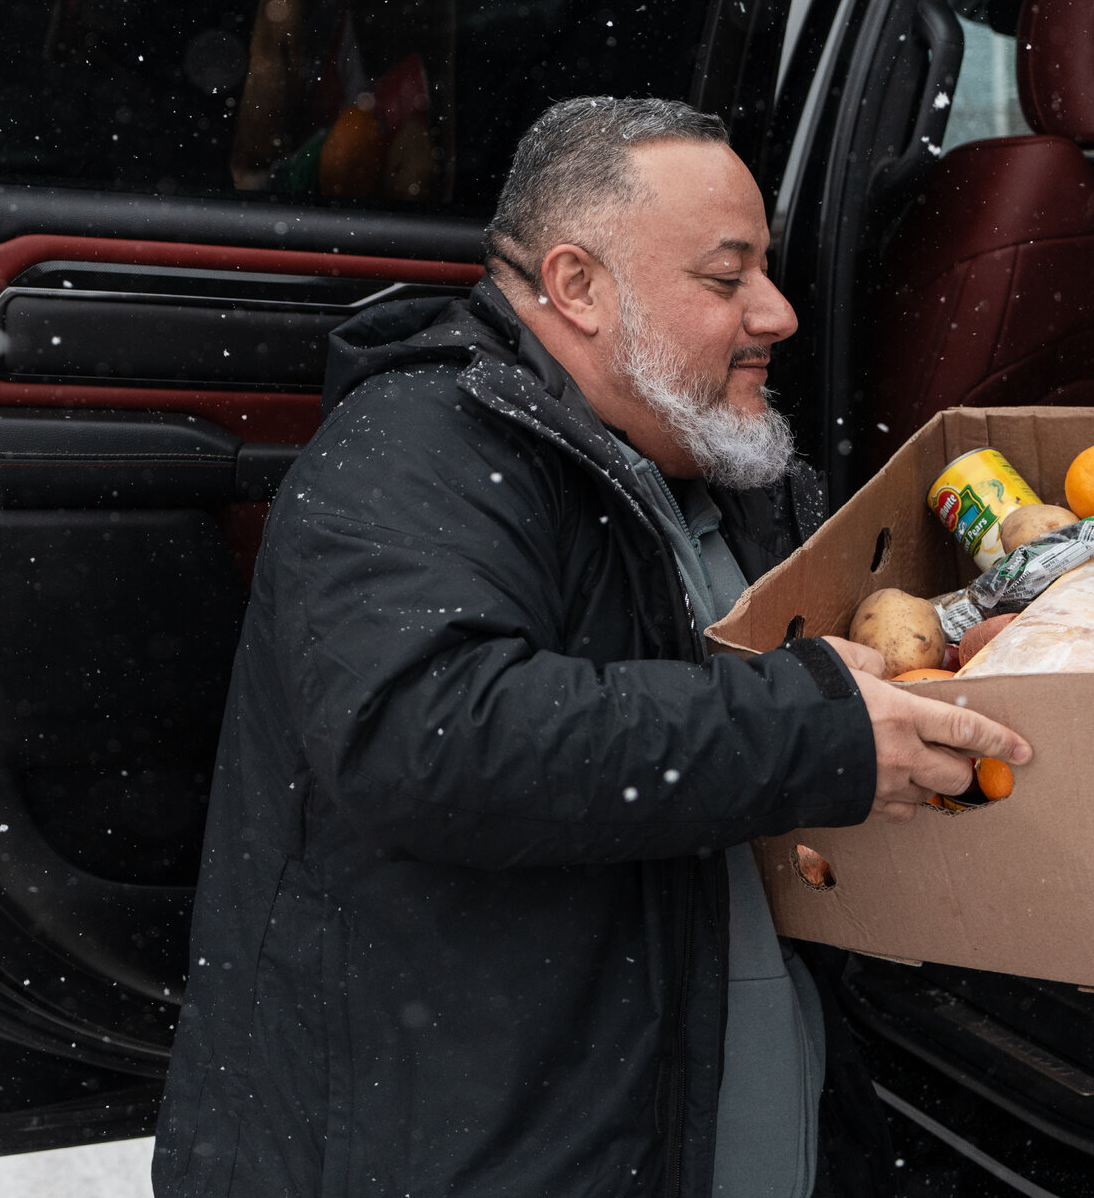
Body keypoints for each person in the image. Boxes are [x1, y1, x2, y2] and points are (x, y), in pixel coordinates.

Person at [153, 96, 1031, 1198]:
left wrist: (984, 647)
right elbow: (430, 739)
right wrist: (815, 728)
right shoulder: (411, 450)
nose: (778, 313)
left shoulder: (728, 460)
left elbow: (837, 674)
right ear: (575, 286)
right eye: (727, 278)